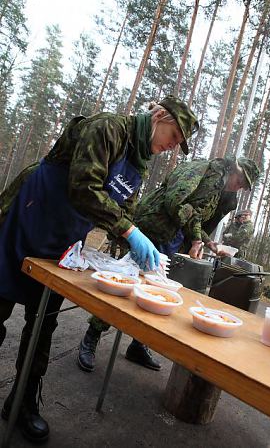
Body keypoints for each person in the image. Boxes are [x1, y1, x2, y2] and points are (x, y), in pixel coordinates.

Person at [0, 94, 198, 443]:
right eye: (174, 135)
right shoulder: (109, 128)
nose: (172, 146)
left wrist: (136, 253)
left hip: (62, 242)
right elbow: (83, 187)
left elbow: (123, 213)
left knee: (43, 320)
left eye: (179, 143)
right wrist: (130, 232)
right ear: (160, 115)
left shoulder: (138, 165)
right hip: (28, 215)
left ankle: (23, 402)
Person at [78, 156, 260, 373]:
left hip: (170, 238)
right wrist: (195, 237)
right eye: (240, 180)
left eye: (244, 186)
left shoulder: (221, 190)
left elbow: (195, 217)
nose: (239, 187)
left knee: (158, 292)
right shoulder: (203, 170)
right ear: (234, 170)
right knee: (125, 284)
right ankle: (92, 336)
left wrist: (207, 242)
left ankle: (138, 344)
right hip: (150, 229)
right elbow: (175, 202)